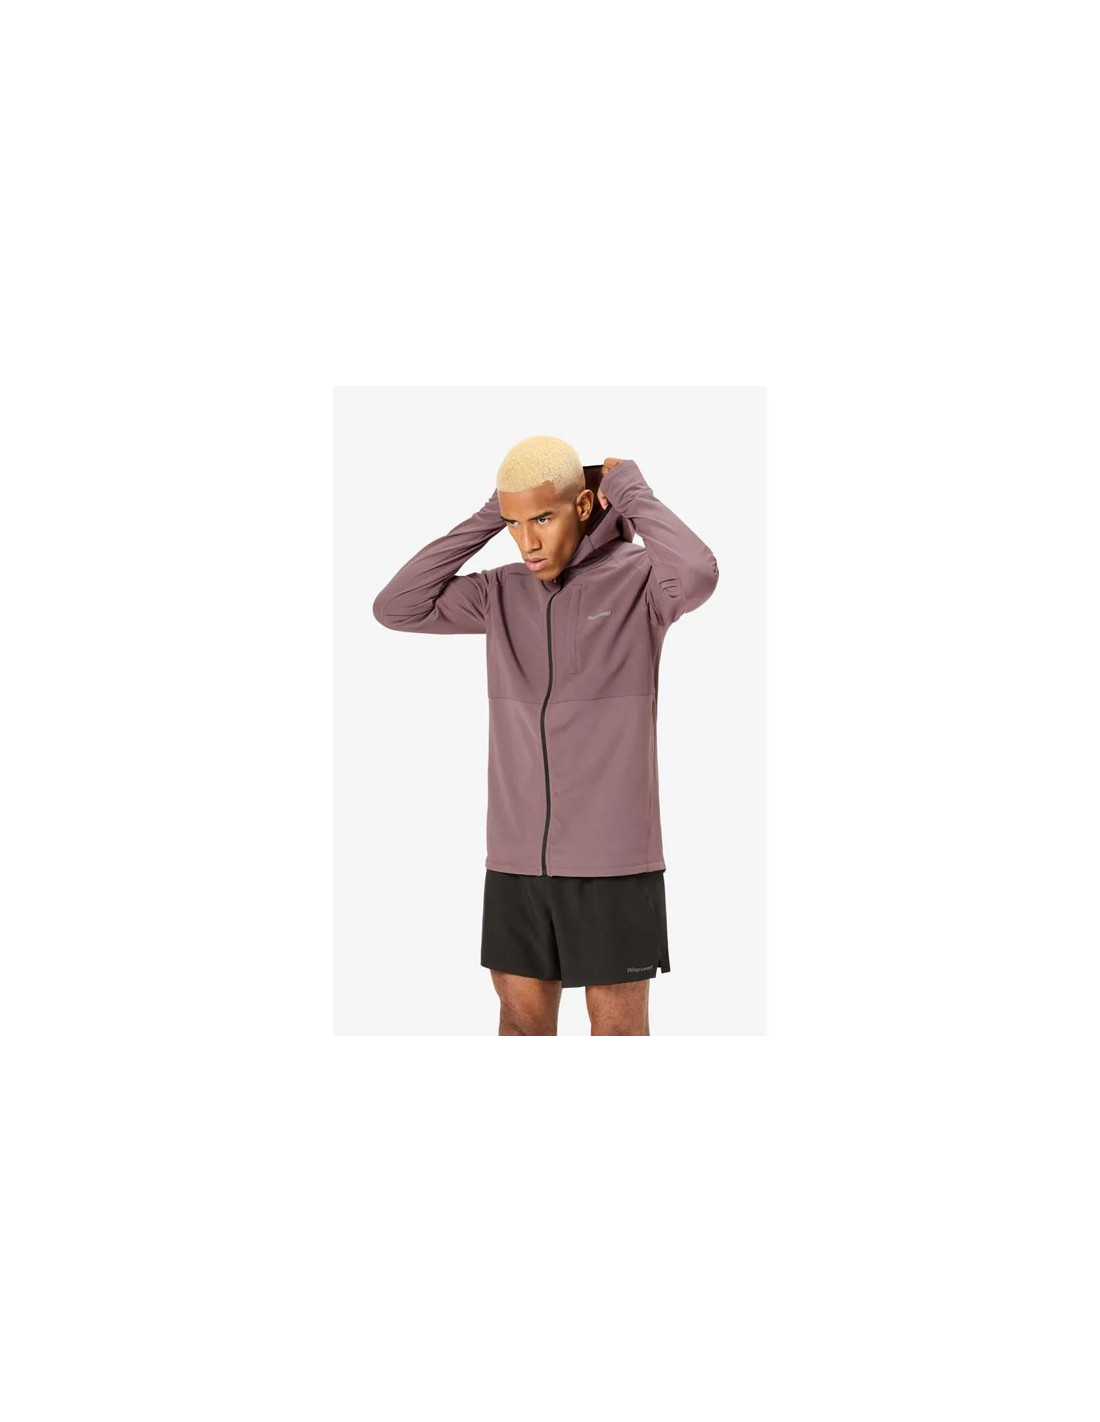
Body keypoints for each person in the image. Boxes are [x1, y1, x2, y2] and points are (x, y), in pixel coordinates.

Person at [372, 435, 719, 1035]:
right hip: (516, 859)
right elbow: (396, 606)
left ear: (582, 506)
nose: (527, 542)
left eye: (542, 518)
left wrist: (629, 489)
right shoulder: (499, 592)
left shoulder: (640, 582)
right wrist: (494, 512)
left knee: (617, 1032)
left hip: (612, 862)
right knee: (520, 1025)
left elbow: (697, 573)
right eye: (514, 524)